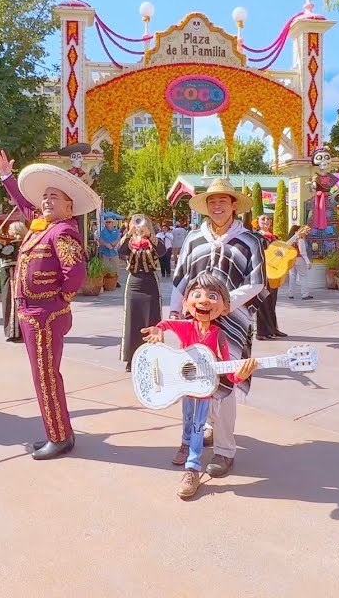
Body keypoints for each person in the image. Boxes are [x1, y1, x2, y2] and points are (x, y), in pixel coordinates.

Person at [0, 149, 95, 460]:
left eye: (55, 197)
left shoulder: (62, 231)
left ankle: (60, 437)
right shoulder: (43, 225)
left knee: (46, 376)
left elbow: (75, 273)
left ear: (69, 206)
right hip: (33, 313)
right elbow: (24, 204)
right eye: (45, 197)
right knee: (43, 375)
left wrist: (59, 300)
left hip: (45, 315)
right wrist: (7, 177)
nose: (47, 201)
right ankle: (59, 431)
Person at [167, 176, 266, 479]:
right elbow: (182, 278)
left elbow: (257, 282)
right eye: (212, 201)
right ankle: (194, 435)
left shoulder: (249, 241)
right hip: (194, 320)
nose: (217, 205)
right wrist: (174, 310)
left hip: (232, 322)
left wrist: (224, 304)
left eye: (223, 200)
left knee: (223, 384)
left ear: (234, 205)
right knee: (193, 380)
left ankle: (224, 450)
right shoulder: (194, 239)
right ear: (206, 206)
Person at [143, 272, 255, 499]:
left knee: (197, 426)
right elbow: (167, 324)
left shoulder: (219, 335)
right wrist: (158, 329)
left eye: (213, 296)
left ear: (225, 307)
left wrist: (238, 375)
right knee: (187, 419)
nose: (204, 300)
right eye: (197, 295)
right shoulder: (186, 326)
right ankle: (185, 445)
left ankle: (192, 469)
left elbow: (227, 371)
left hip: (204, 392)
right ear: (186, 303)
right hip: (185, 386)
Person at [118, 213, 168, 371]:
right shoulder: (130, 241)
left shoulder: (154, 241)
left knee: (152, 318)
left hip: (150, 282)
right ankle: (131, 358)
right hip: (134, 281)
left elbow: (162, 251)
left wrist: (149, 235)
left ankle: (153, 356)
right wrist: (129, 233)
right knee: (132, 319)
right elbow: (120, 251)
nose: (139, 227)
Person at [0, 221, 27, 343]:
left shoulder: (17, 243)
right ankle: (14, 331)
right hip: (8, 274)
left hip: (12, 275)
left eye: (10, 229)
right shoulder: (13, 243)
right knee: (8, 302)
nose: (8, 232)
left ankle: (14, 332)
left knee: (11, 302)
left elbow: (3, 253)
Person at [254, 213, 284, 340]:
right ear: (257, 222)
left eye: (268, 219)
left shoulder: (274, 237)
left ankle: (273, 329)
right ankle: (262, 332)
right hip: (262, 272)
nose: (266, 221)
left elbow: (279, 254)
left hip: (273, 272)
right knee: (263, 302)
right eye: (263, 219)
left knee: (272, 301)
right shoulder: (256, 236)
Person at [97, 216, 122, 290]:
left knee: (115, 268)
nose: (108, 223)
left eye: (109, 222)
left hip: (114, 252)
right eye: (107, 222)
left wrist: (111, 245)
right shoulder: (103, 232)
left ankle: (115, 282)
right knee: (105, 268)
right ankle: (105, 283)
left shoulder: (116, 231)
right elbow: (101, 240)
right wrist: (106, 245)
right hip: (105, 252)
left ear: (113, 223)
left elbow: (118, 239)